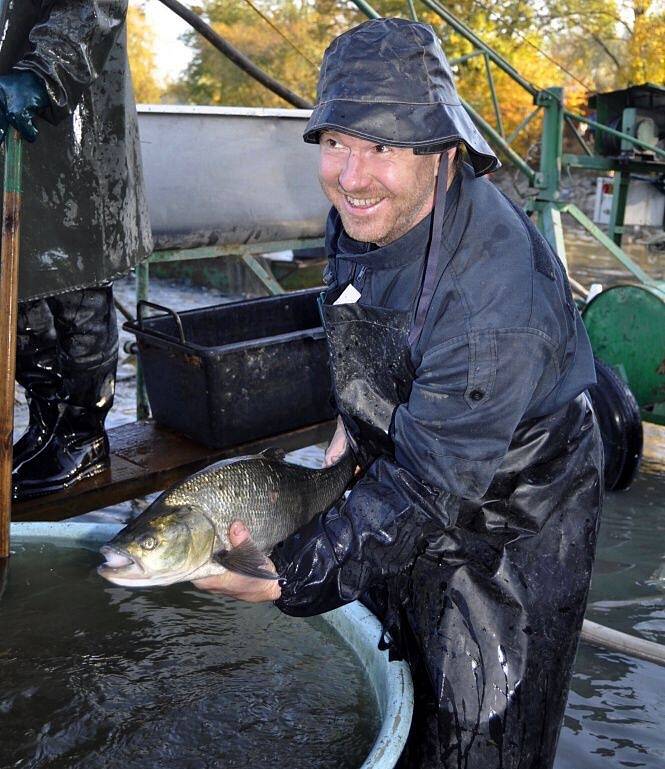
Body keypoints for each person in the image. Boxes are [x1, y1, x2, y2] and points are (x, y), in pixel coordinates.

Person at [193, 18, 604, 769]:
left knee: (483, 723)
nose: (351, 176)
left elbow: (424, 489)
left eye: (381, 146)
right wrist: (355, 423)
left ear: (443, 151)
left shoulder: (493, 302)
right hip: (421, 452)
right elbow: (357, 314)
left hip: (514, 503)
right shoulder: (363, 209)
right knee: (402, 681)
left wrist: (292, 573)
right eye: (337, 142)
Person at [0, 1, 152, 499]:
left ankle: (83, 436)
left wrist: (44, 70)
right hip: (9, 114)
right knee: (17, 291)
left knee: (76, 287)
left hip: (71, 120)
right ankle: (46, 425)